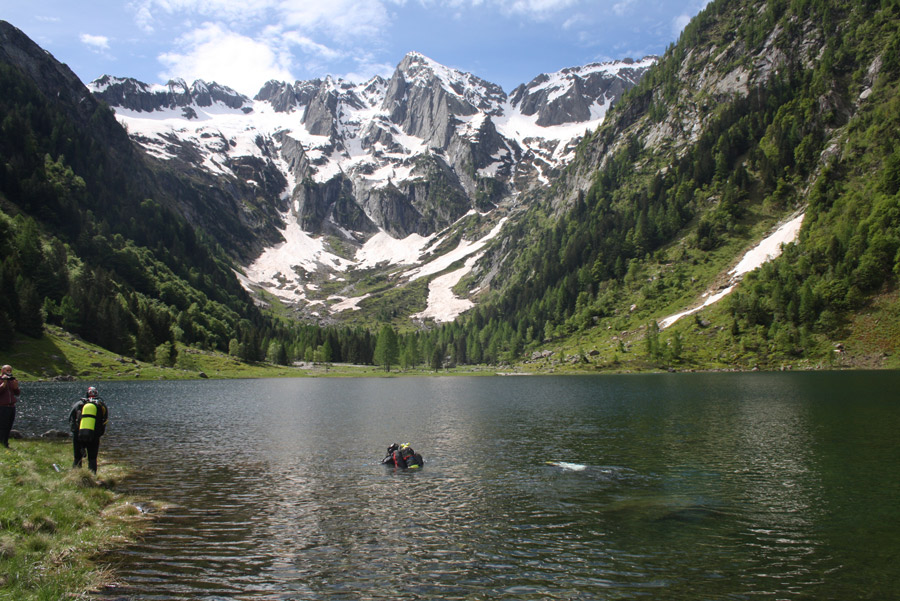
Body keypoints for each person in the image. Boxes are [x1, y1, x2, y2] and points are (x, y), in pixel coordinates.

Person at [69, 386, 108, 473]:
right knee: (92, 458)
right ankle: (92, 477)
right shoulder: (101, 406)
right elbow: (104, 421)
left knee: (77, 458)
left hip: (78, 435)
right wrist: (99, 434)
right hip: (94, 435)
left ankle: (75, 477)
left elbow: (71, 418)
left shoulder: (78, 404)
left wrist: (75, 432)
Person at [0, 364, 20, 448]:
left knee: (9, 425)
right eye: (7, 370)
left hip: (11, 406)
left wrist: (16, 387)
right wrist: (4, 383)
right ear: (2, 371)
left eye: (10, 371)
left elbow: (17, 393)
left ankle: (5, 442)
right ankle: (2, 443)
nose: (8, 372)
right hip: (2, 406)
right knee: (2, 425)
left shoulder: (12, 380)